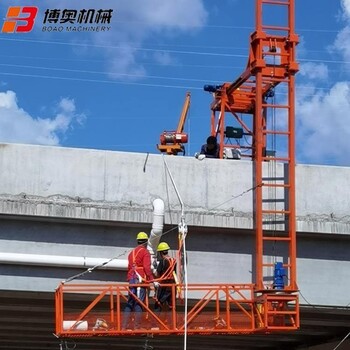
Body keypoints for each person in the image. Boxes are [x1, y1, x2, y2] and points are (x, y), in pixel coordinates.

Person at [122, 231, 154, 330]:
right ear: (146, 242)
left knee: (130, 302)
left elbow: (129, 267)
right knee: (139, 302)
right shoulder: (145, 252)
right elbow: (147, 267)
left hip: (132, 279)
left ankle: (124, 326)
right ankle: (137, 326)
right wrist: (151, 280)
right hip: (140, 279)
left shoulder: (131, 253)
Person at [153, 242, 177, 315]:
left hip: (164, 286)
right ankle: (171, 324)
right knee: (171, 306)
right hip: (173, 286)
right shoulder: (173, 260)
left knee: (158, 304)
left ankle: (155, 324)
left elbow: (157, 274)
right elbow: (174, 273)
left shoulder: (163, 261)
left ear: (160, 252)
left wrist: (154, 268)